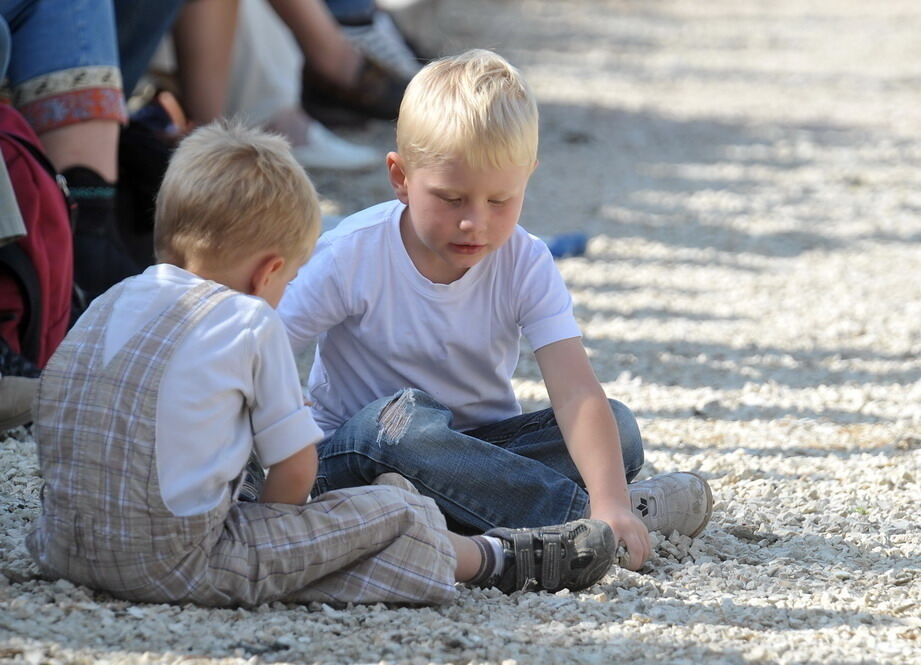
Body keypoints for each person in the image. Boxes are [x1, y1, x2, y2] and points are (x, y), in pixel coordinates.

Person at [25, 121, 619, 606]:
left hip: (60, 543)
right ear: (268, 272)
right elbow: (293, 476)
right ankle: (506, 555)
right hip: (182, 559)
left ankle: (554, 504)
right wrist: (285, 533)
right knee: (397, 512)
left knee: (613, 428)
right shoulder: (251, 319)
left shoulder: (112, 297)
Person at [278, 50, 714, 572]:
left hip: (479, 449)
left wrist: (611, 496)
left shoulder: (525, 259)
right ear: (400, 178)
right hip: (360, 453)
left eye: (499, 201)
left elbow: (575, 392)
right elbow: (265, 344)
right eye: (451, 198)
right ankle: (588, 522)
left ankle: (444, 511)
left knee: (616, 428)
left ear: (527, 178)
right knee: (404, 423)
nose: (474, 224)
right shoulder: (352, 254)